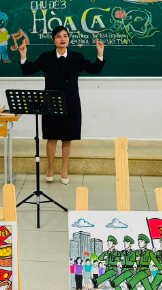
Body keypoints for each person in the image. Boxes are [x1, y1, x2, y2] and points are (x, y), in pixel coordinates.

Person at [19, 26, 105, 184]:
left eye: (65, 36)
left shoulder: (76, 57)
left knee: (67, 137)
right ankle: (51, 168)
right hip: (51, 102)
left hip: (71, 102)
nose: (63, 39)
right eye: (59, 36)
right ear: (53, 40)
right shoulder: (46, 57)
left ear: (68, 39)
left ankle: (64, 170)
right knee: (51, 137)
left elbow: (94, 69)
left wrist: (100, 53)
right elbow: (28, 70)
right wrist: (23, 56)